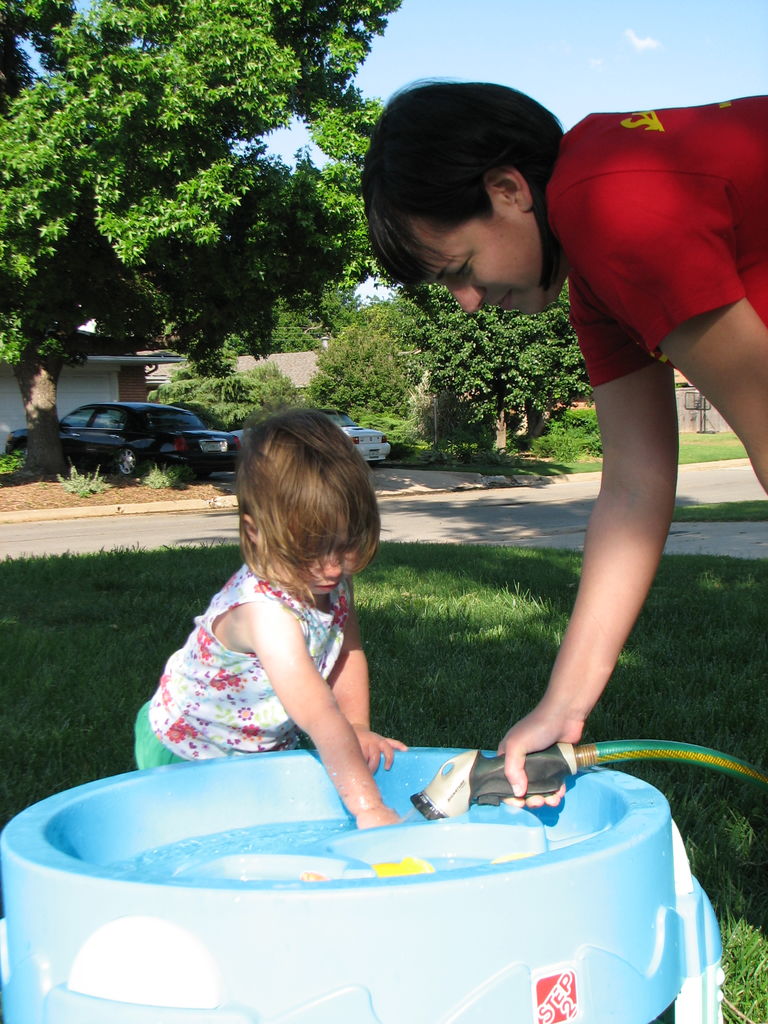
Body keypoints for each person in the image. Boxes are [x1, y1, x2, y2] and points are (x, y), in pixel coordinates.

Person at [362, 80, 768, 806]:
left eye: (458, 268)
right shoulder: (595, 281)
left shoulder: (612, 204)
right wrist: (564, 705)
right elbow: (635, 487)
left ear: (510, 189)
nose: (468, 303)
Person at [134, 408, 407, 829]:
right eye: (311, 549)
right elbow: (318, 714)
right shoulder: (265, 614)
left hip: (262, 744)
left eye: (345, 543)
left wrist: (358, 726)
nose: (331, 567)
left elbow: (348, 652)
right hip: (191, 746)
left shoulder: (330, 582)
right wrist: (369, 807)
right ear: (256, 531)